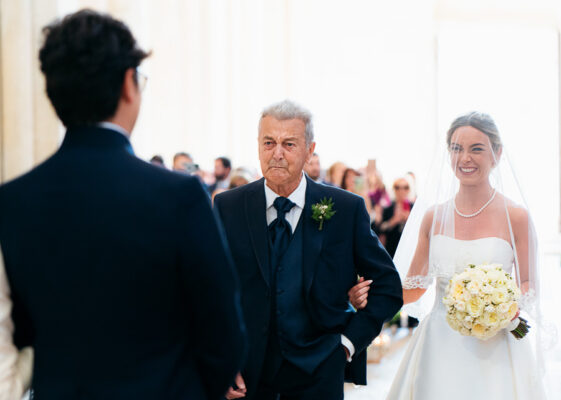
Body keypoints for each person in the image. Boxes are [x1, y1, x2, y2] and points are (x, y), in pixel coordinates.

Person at [0, 9, 246, 399]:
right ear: (129, 84)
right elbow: (224, 333)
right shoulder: (179, 195)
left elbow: (20, 330)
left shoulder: (13, 201)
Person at [350, 112, 548, 399]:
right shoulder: (433, 217)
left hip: (496, 347)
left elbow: (527, 283)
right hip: (439, 346)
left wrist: (501, 308)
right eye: (457, 148)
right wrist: (371, 295)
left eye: (476, 149)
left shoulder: (516, 216)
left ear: (497, 154)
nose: (465, 158)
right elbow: (415, 287)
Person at [214, 99, 402, 400]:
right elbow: (211, 289)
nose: (277, 153)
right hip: (247, 378)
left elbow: (388, 287)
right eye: (268, 142)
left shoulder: (345, 209)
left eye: (289, 144)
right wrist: (221, 361)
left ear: (309, 150)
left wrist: (347, 344)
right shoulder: (228, 206)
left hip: (319, 374)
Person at [376, 178, 413, 257]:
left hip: (408, 249)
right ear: (394, 190)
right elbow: (381, 228)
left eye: (405, 187)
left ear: (409, 190)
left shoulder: (414, 208)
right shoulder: (388, 209)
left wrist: (410, 220)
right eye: (397, 187)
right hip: (392, 249)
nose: (401, 190)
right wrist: (393, 221)